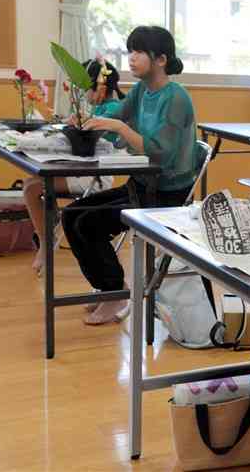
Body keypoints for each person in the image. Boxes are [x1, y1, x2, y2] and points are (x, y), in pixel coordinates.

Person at [62, 26, 199, 325]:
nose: (131, 58)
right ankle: (109, 289)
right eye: (130, 52)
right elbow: (119, 110)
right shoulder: (141, 91)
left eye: (138, 52)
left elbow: (160, 154)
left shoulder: (176, 98)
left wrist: (119, 128)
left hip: (167, 195)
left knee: (88, 223)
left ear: (161, 59)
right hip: (143, 185)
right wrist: (94, 114)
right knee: (72, 215)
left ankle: (114, 294)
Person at [23, 58, 123, 275]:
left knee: (32, 188)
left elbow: (94, 138)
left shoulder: (113, 109)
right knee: (30, 184)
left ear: (98, 86)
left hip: (95, 177)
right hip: (81, 169)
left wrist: (79, 124)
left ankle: (46, 241)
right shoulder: (100, 107)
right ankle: (46, 236)